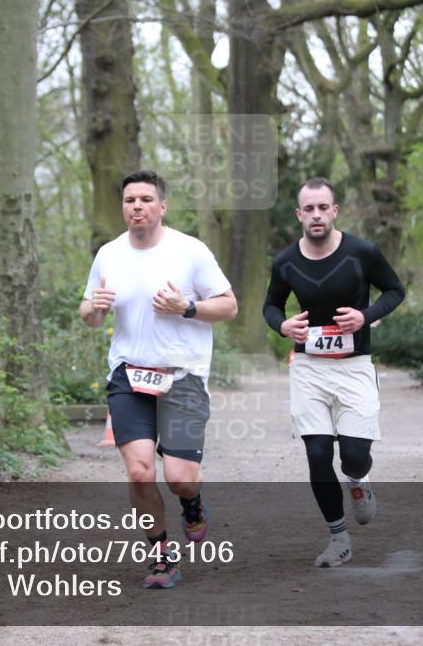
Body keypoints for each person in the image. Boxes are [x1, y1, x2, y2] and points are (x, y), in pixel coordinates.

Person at [80, 170, 237, 588]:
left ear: (162, 207)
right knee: (139, 471)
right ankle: (161, 558)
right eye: (130, 200)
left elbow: (229, 306)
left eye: (146, 199)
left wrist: (187, 307)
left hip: (182, 377)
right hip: (128, 376)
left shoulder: (190, 251)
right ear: (123, 207)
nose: (137, 206)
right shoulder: (108, 254)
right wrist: (93, 308)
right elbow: (90, 314)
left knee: (181, 478)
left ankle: (193, 504)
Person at [263, 177, 404, 568]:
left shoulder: (362, 252)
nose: (316, 215)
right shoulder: (286, 261)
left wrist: (366, 316)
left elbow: (395, 291)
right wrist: (282, 326)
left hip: (355, 367)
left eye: (323, 207)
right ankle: (338, 539)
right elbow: (271, 306)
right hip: (309, 368)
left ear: (335, 210)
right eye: (308, 209)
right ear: (299, 215)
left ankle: (358, 480)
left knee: (354, 457)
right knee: (318, 453)